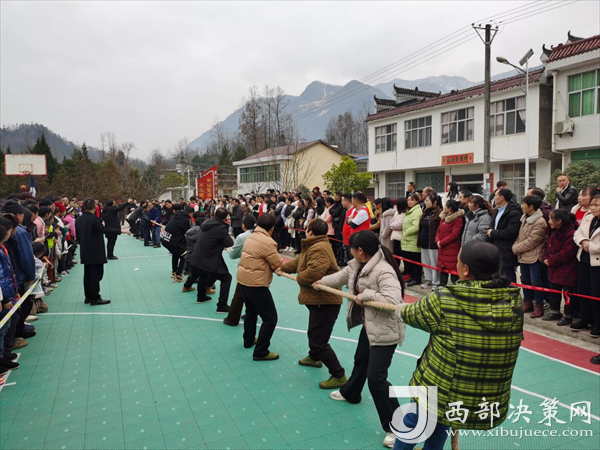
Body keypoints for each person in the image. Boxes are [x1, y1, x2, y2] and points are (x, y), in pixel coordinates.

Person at [392, 241, 523, 450]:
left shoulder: (446, 298)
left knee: (414, 421)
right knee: (444, 420)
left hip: (440, 386)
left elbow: (411, 314)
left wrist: (398, 309)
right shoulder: (513, 302)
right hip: (482, 396)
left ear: (466, 270)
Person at [315, 230, 405, 449]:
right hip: (370, 325)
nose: (349, 251)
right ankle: (351, 393)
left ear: (361, 250)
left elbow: (394, 301)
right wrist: (320, 282)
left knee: (376, 379)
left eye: (351, 248)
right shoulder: (358, 264)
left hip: (386, 330)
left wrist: (367, 295)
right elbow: (340, 277)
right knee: (361, 360)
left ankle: (399, 428)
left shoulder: (383, 270)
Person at [277, 219, 346, 389]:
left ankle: (339, 375)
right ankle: (314, 358)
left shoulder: (319, 248)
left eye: (306, 228)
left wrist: (299, 278)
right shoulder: (313, 246)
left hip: (325, 301)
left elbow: (314, 272)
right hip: (318, 300)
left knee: (318, 341)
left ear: (311, 232)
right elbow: (298, 262)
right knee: (314, 332)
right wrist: (281, 268)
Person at [236, 213, 283, 361]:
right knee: (270, 318)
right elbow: (277, 263)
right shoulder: (268, 242)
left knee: (251, 311)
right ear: (272, 228)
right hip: (256, 284)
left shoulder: (251, 237)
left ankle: (248, 340)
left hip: (244, 280)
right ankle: (261, 351)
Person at [75, 198, 131, 305]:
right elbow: (104, 229)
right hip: (95, 251)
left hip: (85, 250)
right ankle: (95, 297)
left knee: (87, 275)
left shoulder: (79, 220)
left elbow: (78, 236)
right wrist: (120, 231)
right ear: (95, 207)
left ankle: (88, 296)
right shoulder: (94, 219)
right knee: (96, 275)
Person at [189, 207, 233, 313]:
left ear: (214, 214)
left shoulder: (206, 223)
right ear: (225, 218)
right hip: (210, 257)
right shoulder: (220, 228)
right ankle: (222, 305)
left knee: (203, 274)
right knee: (226, 278)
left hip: (197, 256)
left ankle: (201, 296)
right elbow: (229, 243)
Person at [512, 195, 548, 318]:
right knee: (524, 280)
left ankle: (539, 305)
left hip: (534, 256)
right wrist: (516, 245)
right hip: (523, 255)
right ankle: (527, 302)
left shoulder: (540, 221)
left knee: (535, 281)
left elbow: (532, 241)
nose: (522, 206)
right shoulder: (524, 218)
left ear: (531, 207)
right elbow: (520, 236)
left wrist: (516, 248)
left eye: (524, 204)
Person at [542, 209, 579, 325]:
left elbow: (567, 252)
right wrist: (546, 258)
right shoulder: (552, 231)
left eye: (550, 219)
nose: (548, 221)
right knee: (554, 291)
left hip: (567, 268)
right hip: (553, 267)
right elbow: (548, 247)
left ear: (559, 221)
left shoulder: (570, 234)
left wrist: (551, 260)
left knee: (567, 293)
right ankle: (554, 312)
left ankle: (568, 315)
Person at [572, 193, 600, 337]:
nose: (593, 208)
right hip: (583, 258)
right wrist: (583, 242)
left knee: (596, 293)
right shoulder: (588, 217)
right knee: (583, 291)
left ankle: (598, 323)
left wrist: (591, 246)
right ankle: (585, 319)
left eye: (597, 205)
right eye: (592, 204)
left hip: (597, 262)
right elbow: (577, 234)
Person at [223, 215, 257, 327]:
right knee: (255, 292)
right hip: (260, 268)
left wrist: (228, 249)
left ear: (244, 225)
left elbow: (233, 254)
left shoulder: (242, 237)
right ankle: (252, 313)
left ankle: (232, 319)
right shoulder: (261, 235)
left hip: (246, 267)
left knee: (239, 294)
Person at [487, 188, 522, 283]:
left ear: (502, 198)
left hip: (506, 249)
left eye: (496, 196)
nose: (494, 198)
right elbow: (492, 226)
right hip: (495, 248)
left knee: (508, 275)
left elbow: (510, 232)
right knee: (496, 276)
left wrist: (493, 233)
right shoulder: (496, 211)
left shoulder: (513, 212)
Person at [436, 199, 465, 287]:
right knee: (442, 271)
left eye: (446, 206)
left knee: (453, 272)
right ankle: (441, 288)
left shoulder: (458, 220)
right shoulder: (443, 218)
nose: (444, 207)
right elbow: (438, 230)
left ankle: (456, 289)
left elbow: (454, 234)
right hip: (442, 249)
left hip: (452, 249)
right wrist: (437, 240)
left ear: (450, 208)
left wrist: (442, 242)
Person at [161, 205, 193, 282]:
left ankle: (174, 271)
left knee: (176, 254)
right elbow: (188, 232)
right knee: (185, 255)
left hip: (165, 239)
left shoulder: (176, 216)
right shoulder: (185, 220)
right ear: (191, 213)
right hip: (172, 241)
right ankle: (178, 275)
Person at [418, 193, 442, 289]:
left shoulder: (439, 212)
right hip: (424, 242)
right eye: (425, 201)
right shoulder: (425, 211)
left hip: (433, 243)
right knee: (426, 262)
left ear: (435, 202)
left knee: (434, 263)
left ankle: (436, 282)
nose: (426, 202)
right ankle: (429, 280)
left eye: (428, 201)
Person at [402, 193, 423, 287]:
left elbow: (416, 226)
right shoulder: (409, 211)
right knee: (409, 262)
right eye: (408, 200)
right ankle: (412, 277)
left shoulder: (417, 211)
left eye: (412, 200)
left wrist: (406, 232)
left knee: (415, 261)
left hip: (413, 241)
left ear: (417, 201)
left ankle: (417, 279)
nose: (409, 202)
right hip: (406, 241)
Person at [389, 198, 408, 265]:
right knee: (396, 254)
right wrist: (393, 225)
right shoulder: (396, 212)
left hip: (401, 236)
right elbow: (391, 221)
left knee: (402, 254)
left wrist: (393, 225)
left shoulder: (405, 213)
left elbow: (400, 224)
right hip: (395, 236)